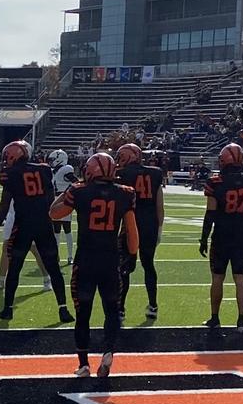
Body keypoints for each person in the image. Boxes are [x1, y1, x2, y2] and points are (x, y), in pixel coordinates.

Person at [51, 151, 139, 378]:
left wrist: (67, 191)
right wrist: (132, 255)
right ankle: (108, 351)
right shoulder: (125, 193)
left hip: (86, 260)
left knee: (83, 314)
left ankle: (83, 365)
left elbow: (54, 213)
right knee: (112, 310)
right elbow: (131, 230)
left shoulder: (80, 191)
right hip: (110, 261)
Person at [0, 140, 71, 324]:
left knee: (15, 268)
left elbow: (5, 203)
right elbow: (50, 196)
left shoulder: (10, 174)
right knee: (54, 268)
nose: (5, 160)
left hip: (23, 225)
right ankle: (63, 309)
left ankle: (8, 309)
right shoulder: (44, 169)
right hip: (43, 224)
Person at [200, 143, 243, 331]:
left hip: (221, 235)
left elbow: (210, 214)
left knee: (217, 277)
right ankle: (241, 321)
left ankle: (215, 318)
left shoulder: (215, 182)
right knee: (241, 277)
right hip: (242, 234)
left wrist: (203, 238)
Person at [114, 143, 166, 321]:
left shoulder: (123, 175)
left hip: (130, 225)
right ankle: (153, 305)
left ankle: (120, 308)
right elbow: (159, 204)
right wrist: (160, 228)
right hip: (150, 225)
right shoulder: (155, 173)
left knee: (125, 268)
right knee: (148, 265)